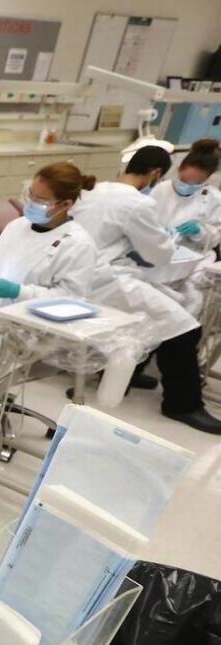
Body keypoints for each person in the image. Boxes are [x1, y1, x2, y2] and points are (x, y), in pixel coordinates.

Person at [0, 163, 99, 455]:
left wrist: (20, 292)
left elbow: (71, 300)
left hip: (30, 327)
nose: (31, 203)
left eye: (40, 200)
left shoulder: (77, 244)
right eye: (30, 194)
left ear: (65, 204)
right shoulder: (17, 226)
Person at [73, 146, 221, 434]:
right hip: (110, 280)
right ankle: (183, 404)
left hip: (85, 274)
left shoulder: (94, 190)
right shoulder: (137, 203)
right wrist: (163, 241)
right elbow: (159, 255)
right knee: (184, 327)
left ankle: (128, 373)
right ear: (156, 173)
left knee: (161, 315)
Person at [150, 139, 221, 315]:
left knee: (191, 295)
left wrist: (200, 231)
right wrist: (156, 233)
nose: (187, 187)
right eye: (183, 180)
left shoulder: (214, 199)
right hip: (159, 250)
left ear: (206, 179)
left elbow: (215, 239)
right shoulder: (162, 189)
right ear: (179, 169)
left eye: (194, 183)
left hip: (194, 256)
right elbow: (145, 218)